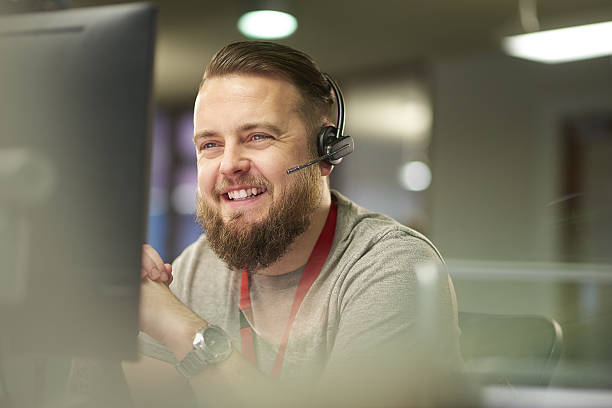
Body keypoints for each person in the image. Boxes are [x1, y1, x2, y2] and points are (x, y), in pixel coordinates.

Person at [123, 41, 462, 408]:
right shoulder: (194, 268)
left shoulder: (392, 267)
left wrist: (185, 330)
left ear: (325, 151)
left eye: (258, 137)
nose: (229, 164)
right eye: (210, 145)